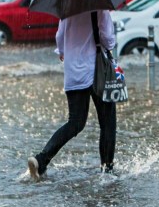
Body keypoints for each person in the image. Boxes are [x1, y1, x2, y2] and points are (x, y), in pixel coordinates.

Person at [28, 10, 116, 181]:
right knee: (107, 122)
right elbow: (108, 39)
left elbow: (60, 37)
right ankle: (107, 169)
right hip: (97, 71)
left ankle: (41, 159)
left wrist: (63, 51)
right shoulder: (99, 7)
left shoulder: (67, 8)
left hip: (73, 72)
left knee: (75, 122)